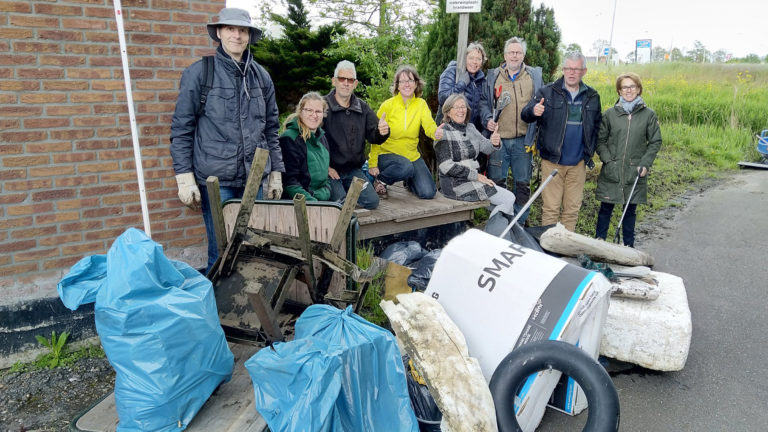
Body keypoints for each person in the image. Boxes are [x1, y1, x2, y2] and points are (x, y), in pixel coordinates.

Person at [170, 7, 283, 273]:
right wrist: (184, 177)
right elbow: (182, 128)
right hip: (216, 181)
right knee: (220, 251)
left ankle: (246, 309)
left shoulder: (262, 77)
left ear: (249, 36)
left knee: (253, 248)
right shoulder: (200, 73)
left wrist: (276, 171)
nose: (237, 35)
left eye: (242, 30)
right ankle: (217, 311)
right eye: (230, 29)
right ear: (219, 32)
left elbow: (271, 129)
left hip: (253, 179)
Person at [521, 51, 601, 231]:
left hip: (578, 163)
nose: (572, 73)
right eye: (568, 68)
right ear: (563, 70)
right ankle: (549, 249)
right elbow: (525, 115)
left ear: (584, 71)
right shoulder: (547, 92)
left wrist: (590, 152)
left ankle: (566, 249)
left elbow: (597, 128)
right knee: (550, 209)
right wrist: (534, 111)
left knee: (572, 210)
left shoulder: (592, 97)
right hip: (553, 162)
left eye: (576, 69)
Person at [594, 72, 662, 247]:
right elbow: (600, 141)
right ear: (619, 91)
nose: (628, 90)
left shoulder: (648, 115)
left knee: (629, 211)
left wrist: (645, 163)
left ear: (638, 89)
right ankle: (599, 244)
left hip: (635, 171)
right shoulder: (610, 114)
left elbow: (655, 141)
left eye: (632, 86)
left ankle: (628, 247)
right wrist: (608, 160)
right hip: (612, 170)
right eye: (624, 87)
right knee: (606, 208)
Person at [480, 37, 543, 225]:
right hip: (498, 141)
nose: (514, 56)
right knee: (497, 183)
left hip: (523, 141)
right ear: (505, 54)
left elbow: (540, 102)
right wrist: (487, 120)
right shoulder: (493, 76)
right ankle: (499, 222)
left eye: (518, 52)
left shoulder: (533, 77)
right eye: (511, 52)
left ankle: (520, 223)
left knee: (522, 184)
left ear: (523, 55)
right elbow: (484, 103)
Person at [368, 65, 444, 199]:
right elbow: (375, 136)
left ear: (416, 84)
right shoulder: (387, 105)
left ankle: (409, 180)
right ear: (397, 85)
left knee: (428, 193)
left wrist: (435, 132)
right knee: (406, 167)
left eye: (410, 80)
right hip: (387, 155)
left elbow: (429, 125)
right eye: (402, 81)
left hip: (411, 156)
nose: (407, 84)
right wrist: (373, 163)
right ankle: (379, 181)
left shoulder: (421, 104)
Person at [435, 94, 516, 217]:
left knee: (506, 205)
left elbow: (486, 147)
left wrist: (494, 142)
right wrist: (476, 176)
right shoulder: (442, 132)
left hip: (472, 180)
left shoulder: (470, 128)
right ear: (448, 112)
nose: (461, 110)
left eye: (463, 107)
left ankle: (498, 232)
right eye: (456, 107)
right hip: (455, 186)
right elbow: (446, 166)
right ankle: (496, 233)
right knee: (508, 199)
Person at [323, 60, 389, 209]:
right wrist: (325, 167)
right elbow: (309, 140)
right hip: (329, 170)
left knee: (373, 202)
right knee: (340, 205)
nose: (346, 83)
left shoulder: (362, 107)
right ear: (334, 81)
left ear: (355, 84)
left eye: (350, 80)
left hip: (353, 170)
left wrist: (382, 132)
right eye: (342, 79)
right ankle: (335, 191)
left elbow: (374, 136)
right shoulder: (322, 105)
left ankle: (347, 190)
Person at [279, 92, 332, 202]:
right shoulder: (289, 139)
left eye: (318, 111)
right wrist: (313, 203)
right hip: (297, 202)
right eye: (309, 110)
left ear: (323, 114)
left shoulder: (322, 137)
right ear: (300, 111)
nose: (314, 115)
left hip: (320, 199)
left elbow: (326, 179)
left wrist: (323, 196)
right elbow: (290, 183)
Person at [437, 42, 488, 131]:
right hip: (449, 128)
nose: (474, 62)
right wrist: (462, 84)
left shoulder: (481, 80)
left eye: (478, 59)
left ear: (482, 62)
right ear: (465, 59)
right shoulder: (452, 71)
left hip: (469, 131)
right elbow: (442, 98)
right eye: (471, 58)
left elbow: (481, 108)